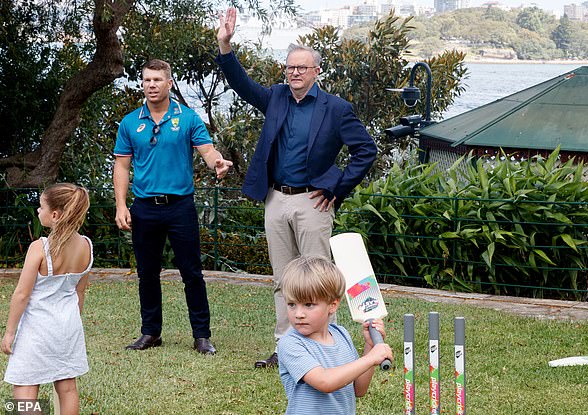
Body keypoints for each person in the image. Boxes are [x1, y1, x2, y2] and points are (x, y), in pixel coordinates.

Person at [216, 7, 378, 368]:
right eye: (289, 67)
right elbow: (241, 85)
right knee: (283, 279)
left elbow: (366, 150)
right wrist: (225, 47)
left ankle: (326, 350)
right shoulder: (275, 97)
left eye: (301, 68)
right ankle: (284, 349)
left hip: (313, 203)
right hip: (276, 199)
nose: (293, 73)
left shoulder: (336, 109)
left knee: (319, 281)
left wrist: (337, 187)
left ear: (316, 72)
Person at [113, 59, 232, 354]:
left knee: (192, 273)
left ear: (169, 83)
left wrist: (217, 162)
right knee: (147, 273)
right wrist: (120, 205)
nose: (151, 85)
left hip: (180, 207)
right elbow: (122, 167)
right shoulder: (130, 122)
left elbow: (207, 151)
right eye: (146, 80)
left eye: (157, 80)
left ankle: (202, 335)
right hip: (144, 208)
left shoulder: (188, 118)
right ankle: (151, 332)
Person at [2, 183, 93, 415]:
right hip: (68, 327)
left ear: (54, 214)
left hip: (36, 329)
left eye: (41, 207)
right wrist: (72, 323)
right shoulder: (86, 246)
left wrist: (10, 332)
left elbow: (22, 294)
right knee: (67, 387)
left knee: (23, 388)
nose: (38, 211)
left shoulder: (39, 247)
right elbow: (79, 293)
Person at [277, 256, 393, 414]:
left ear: (333, 305)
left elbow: (359, 389)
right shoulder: (290, 344)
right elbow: (325, 382)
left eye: (308, 305)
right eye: (292, 304)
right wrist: (370, 358)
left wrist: (370, 346)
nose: (298, 314)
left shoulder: (341, 335)